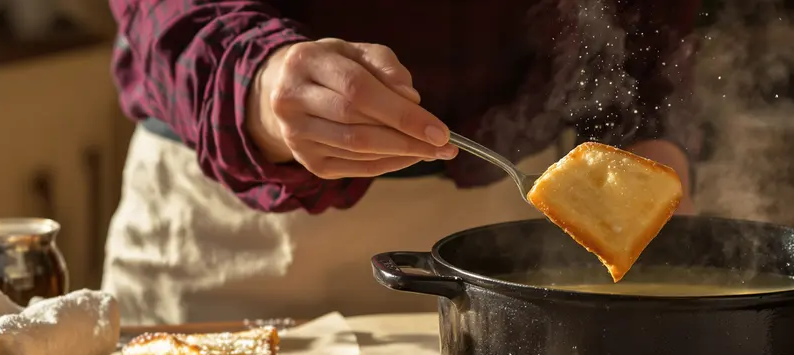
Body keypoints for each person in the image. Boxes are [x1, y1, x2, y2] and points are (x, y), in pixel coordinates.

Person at [102, 1, 699, 325]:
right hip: (231, 240)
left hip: (501, 242)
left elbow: (647, 23)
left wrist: (651, 137)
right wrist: (257, 80)